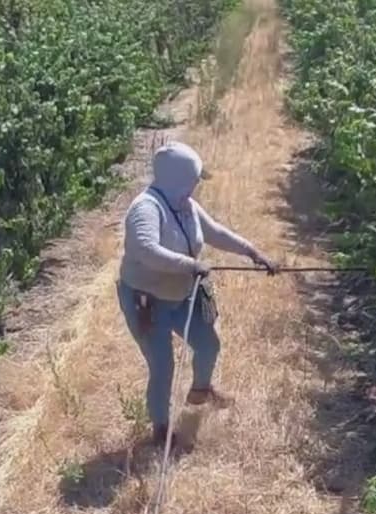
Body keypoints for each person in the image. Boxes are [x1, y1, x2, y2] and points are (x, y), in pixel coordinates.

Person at [116, 141, 278, 447]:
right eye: (193, 179)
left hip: (183, 293)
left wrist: (253, 253)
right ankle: (161, 429)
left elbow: (215, 232)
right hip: (147, 301)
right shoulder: (145, 209)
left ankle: (201, 390)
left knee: (208, 345)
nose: (196, 186)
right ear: (177, 178)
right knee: (162, 366)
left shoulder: (185, 204)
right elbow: (147, 251)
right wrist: (191, 264)